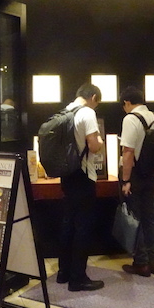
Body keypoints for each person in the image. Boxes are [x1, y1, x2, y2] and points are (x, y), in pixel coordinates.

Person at [56, 83, 105, 291]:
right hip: (83, 175)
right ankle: (78, 278)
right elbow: (93, 145)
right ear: (93, 97)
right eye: (97, 103)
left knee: (68, 223)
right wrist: (100, 142)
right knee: (83, 227)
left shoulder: (65, 111)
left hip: (67, 174)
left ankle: (63, 272)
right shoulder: (87, 113)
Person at [119, 85, 154, 277]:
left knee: (135, 218)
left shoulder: (131, 119)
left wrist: (125, 180)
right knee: (150, 217)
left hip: (136, 175)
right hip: (152, 174)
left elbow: (128, 152)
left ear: (127, 102)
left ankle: (141, 263)